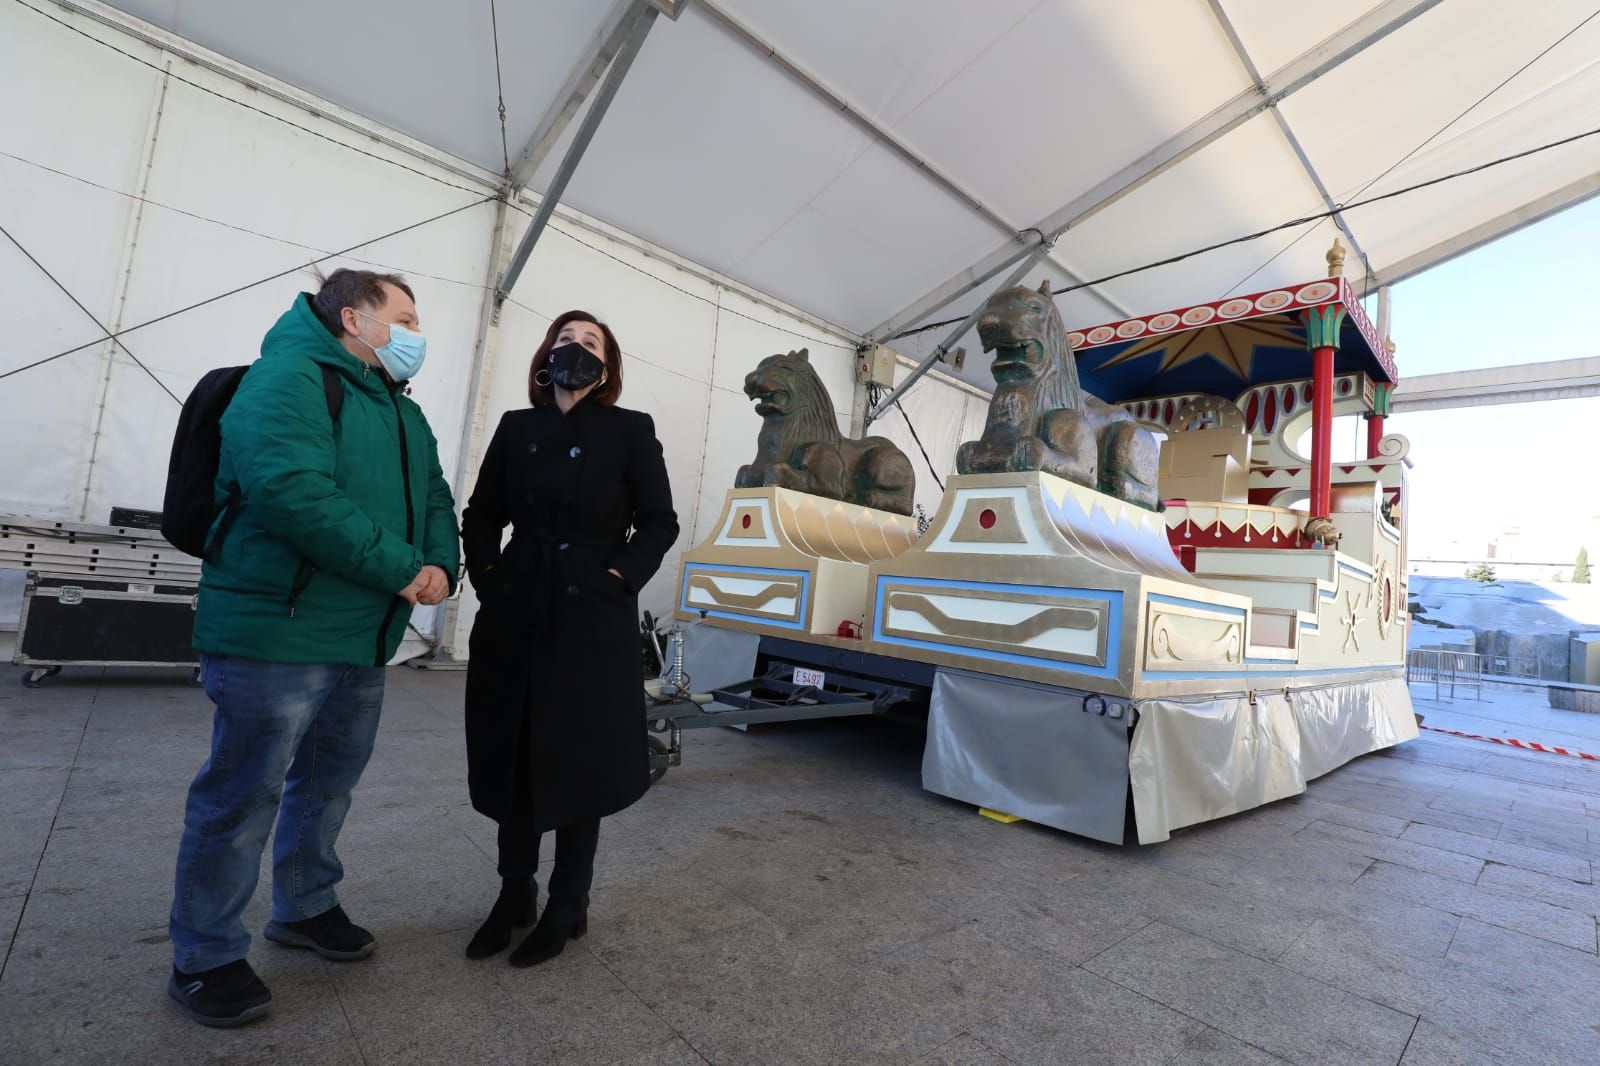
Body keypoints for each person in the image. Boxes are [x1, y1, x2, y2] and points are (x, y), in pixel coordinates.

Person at [168, 269, 460, 1026]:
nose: (415, 335)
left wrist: (443, 566)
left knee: (329, 783)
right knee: (242, 794)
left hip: (361, 635)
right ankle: (204, 954)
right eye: (404, 317)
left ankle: (304, 905)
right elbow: (291, 490)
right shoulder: (288, 377)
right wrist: (406, 570)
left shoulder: (402, 410)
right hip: (277, 632)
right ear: (355, 317)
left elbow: (434, 496)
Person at [460, 310, 677, 967]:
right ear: (544, 356)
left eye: (589, 345)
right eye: (565, 341)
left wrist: (619, 576)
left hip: (591, 614)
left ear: (606, 369)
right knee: (514, 750)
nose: (575, 351)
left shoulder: (630, 430)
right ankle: (514, 892)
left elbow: (659, 523)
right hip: (516, 605)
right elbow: (480, 514)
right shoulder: (516, 427)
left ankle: (567, 901)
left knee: (579, 757)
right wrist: (490, 578)